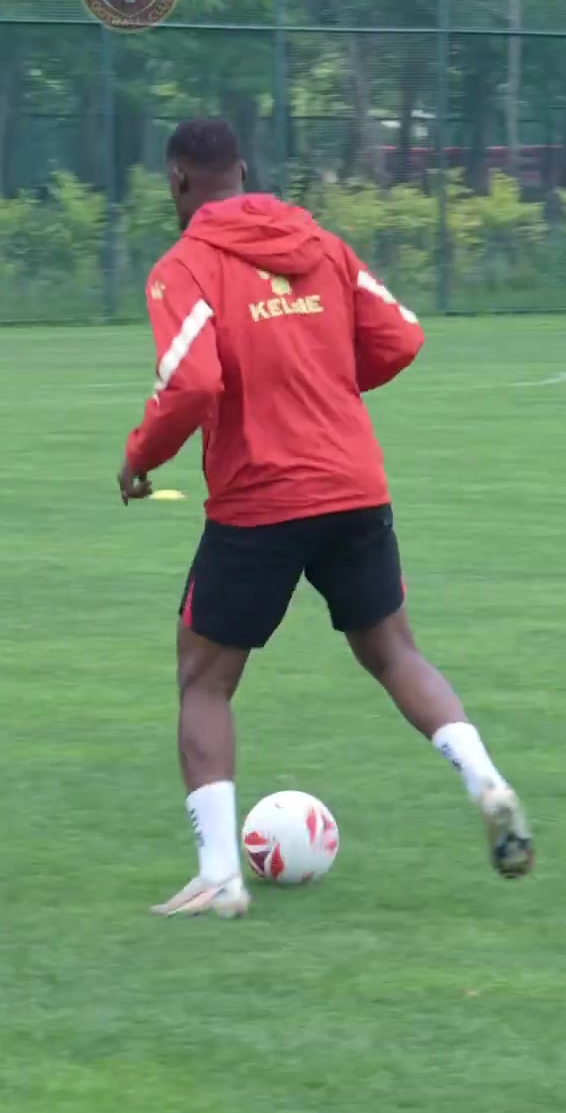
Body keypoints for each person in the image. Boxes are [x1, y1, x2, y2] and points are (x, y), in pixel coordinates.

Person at [118, 118, 533, 918]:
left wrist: (139, 459)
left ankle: (219, 876)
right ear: (243, 171)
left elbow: (193, 385)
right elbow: (400, 337)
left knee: (204, 680)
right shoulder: (322, 246)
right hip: (353, 485)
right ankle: (486, 781)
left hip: (260, 498)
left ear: (177, 181)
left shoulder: (185, 267)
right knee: (394, 651)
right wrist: (322, 387)